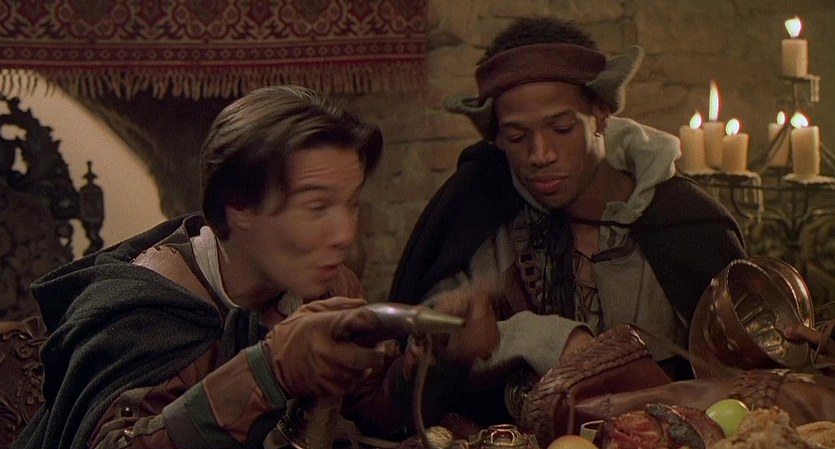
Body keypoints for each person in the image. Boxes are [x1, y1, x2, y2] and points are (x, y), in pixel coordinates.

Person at [12, 85, 497, 449]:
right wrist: (269, 370)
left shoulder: (325, 287)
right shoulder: (143, 311)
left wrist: (439, 355)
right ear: (239, 204)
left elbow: (367, 408)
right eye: (316, 207)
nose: (345, 234)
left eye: (351, 204)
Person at [389, 17, 747, 426]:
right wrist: (525, 338)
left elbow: (742, 389)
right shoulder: (475, 212)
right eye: (517, 136)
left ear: (601, 115)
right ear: (497, 137)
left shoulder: (684, 222)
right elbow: (411, 379)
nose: (540, 154)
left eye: (562, 128)